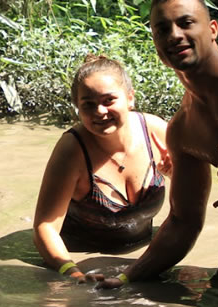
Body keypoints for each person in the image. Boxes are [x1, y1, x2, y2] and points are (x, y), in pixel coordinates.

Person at [99, 0, 218, 296]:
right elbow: (184, 223)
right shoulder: (184, 130)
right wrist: (129, 277)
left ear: (212, 29)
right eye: (162, 29)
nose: (174, 35)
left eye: (185, 23)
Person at [33, 55, 171, 282]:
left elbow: (185, 214)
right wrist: (71, 272)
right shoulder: (71, 150)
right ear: (77, 107)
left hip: (142, 254)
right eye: (88, 104)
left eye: (109, 100)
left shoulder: (156, 132)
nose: (99, 111)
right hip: (80, 257)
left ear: (130, 98)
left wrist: (175, 175)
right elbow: (45, 227)